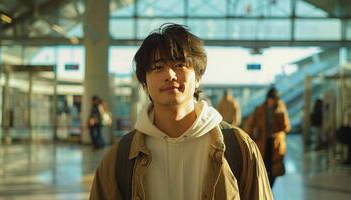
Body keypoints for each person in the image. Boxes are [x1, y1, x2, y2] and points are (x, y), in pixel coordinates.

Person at [89, 23, 272, 199]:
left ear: (198, 77)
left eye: (179, 65)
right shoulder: (120, 159)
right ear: (145, 84)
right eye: (158, 67)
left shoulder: (238, 147)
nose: (169, 75)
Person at [246, 87, 291, 188]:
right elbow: (250, 124)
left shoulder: (280, 110)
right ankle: (265, 188)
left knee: (274, 169)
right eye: (270, 99)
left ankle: (269, 188)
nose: (271, 101)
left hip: (276, 145)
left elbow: (286, 128)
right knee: (262, 166)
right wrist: (249, 138)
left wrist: (281, 112)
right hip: (263, 142)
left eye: (274, 99)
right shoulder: (259, 109)